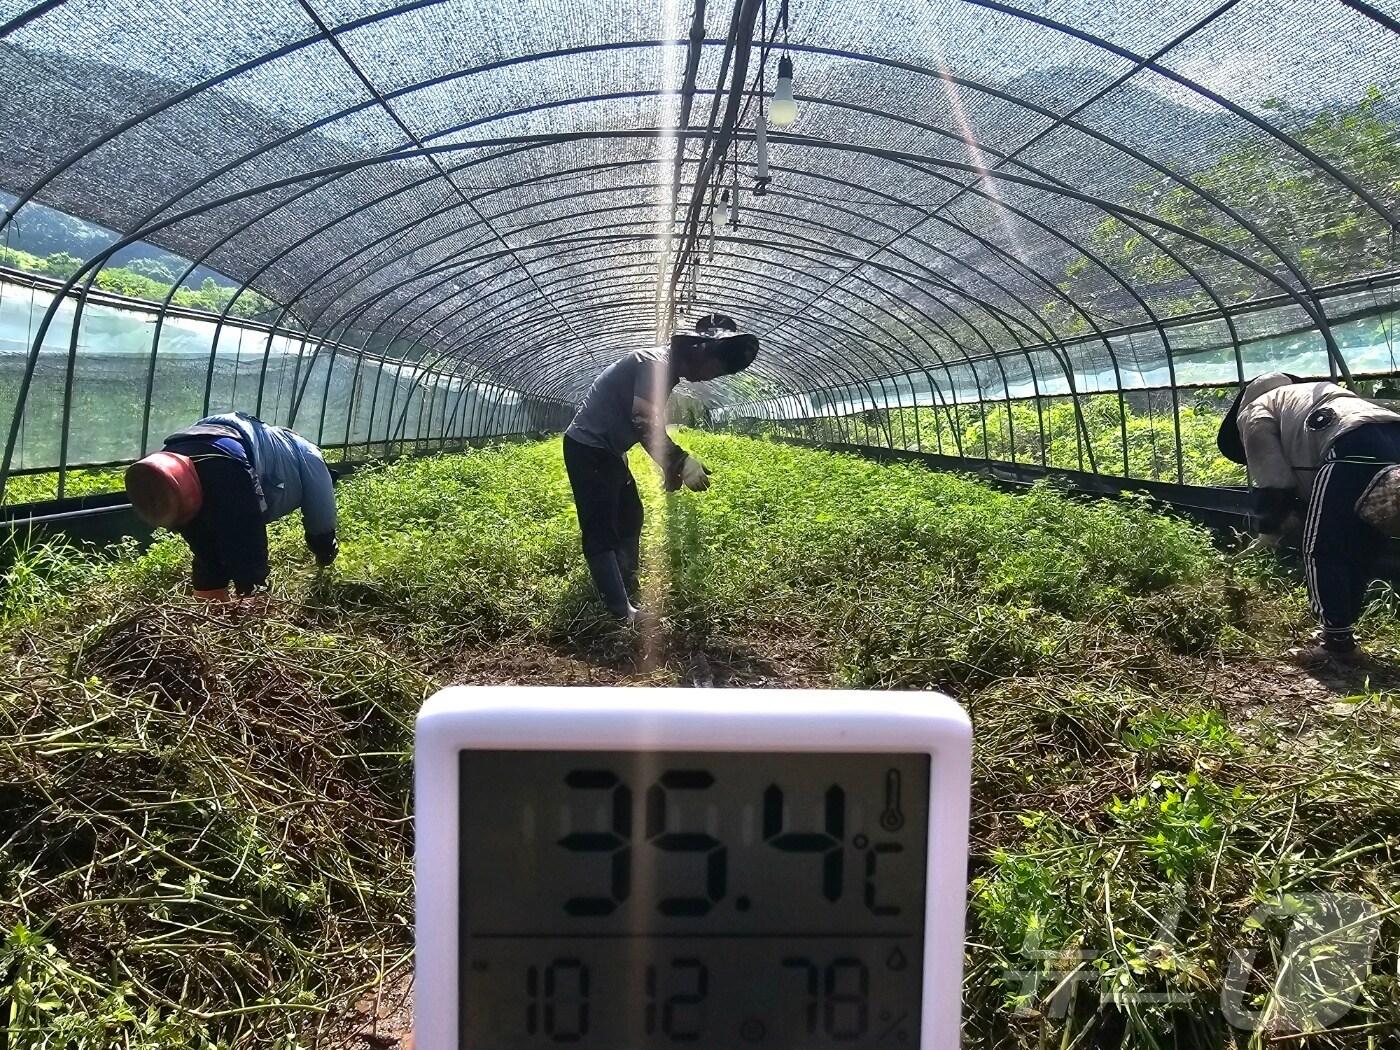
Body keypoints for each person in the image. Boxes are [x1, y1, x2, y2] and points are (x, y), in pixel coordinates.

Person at [563, 314, 760, 620]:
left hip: (610, 450)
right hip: (588, 448)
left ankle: (624, 578)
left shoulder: (666, 373)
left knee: (631, 514)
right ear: (697, 351)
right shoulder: (654, 365)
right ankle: (619, 609)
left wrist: (669, 468)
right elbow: (643, 420)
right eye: (714, 367)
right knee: (600, 526)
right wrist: (679, 461)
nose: (711, 376)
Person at [1219, 372, 1400, 660]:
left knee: (1320, 548)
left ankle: (1336, 645)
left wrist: (1269, 530)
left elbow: (1273, 478)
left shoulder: (1255, 410)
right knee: (1362, 544)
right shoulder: (1307, 395)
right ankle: (1341, 631)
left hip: (1348, 446)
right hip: (1393, 439)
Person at [124, 412, 338, 600]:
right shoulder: (309, 453)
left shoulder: (269, 440)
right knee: (247, 552)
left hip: (172, 461)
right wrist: (325, 549)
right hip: (223, 461)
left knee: (207, 553)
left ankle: (211, 619)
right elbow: (322, 510)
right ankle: (250, 625)